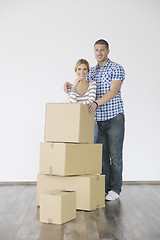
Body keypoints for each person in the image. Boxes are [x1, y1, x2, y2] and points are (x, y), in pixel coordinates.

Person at [64, 39, 125, 201]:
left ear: (108, 51)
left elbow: (113, 91)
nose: (99, 53)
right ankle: (104, 188)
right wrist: (69, 84)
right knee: (102, 156)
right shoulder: (92, 72)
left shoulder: (116, 68)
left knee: (115, 156)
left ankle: (116, 189)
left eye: (102, 50)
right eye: (96, 50)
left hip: (114, 117)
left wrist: (96, 103)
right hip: (97, 121)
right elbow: (82, 84)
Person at [66, 59, 98, 143]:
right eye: (79, 69)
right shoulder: (71, 87)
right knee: (77, 153)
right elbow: (72, 104)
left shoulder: (92, 84)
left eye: (84, 69)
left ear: (88, 71)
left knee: (90, 152)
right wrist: (74, 87)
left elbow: (90, 102)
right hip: (75, 124)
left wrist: (78, 106)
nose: (82, 72)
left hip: (90, 124)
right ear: (75, 70)